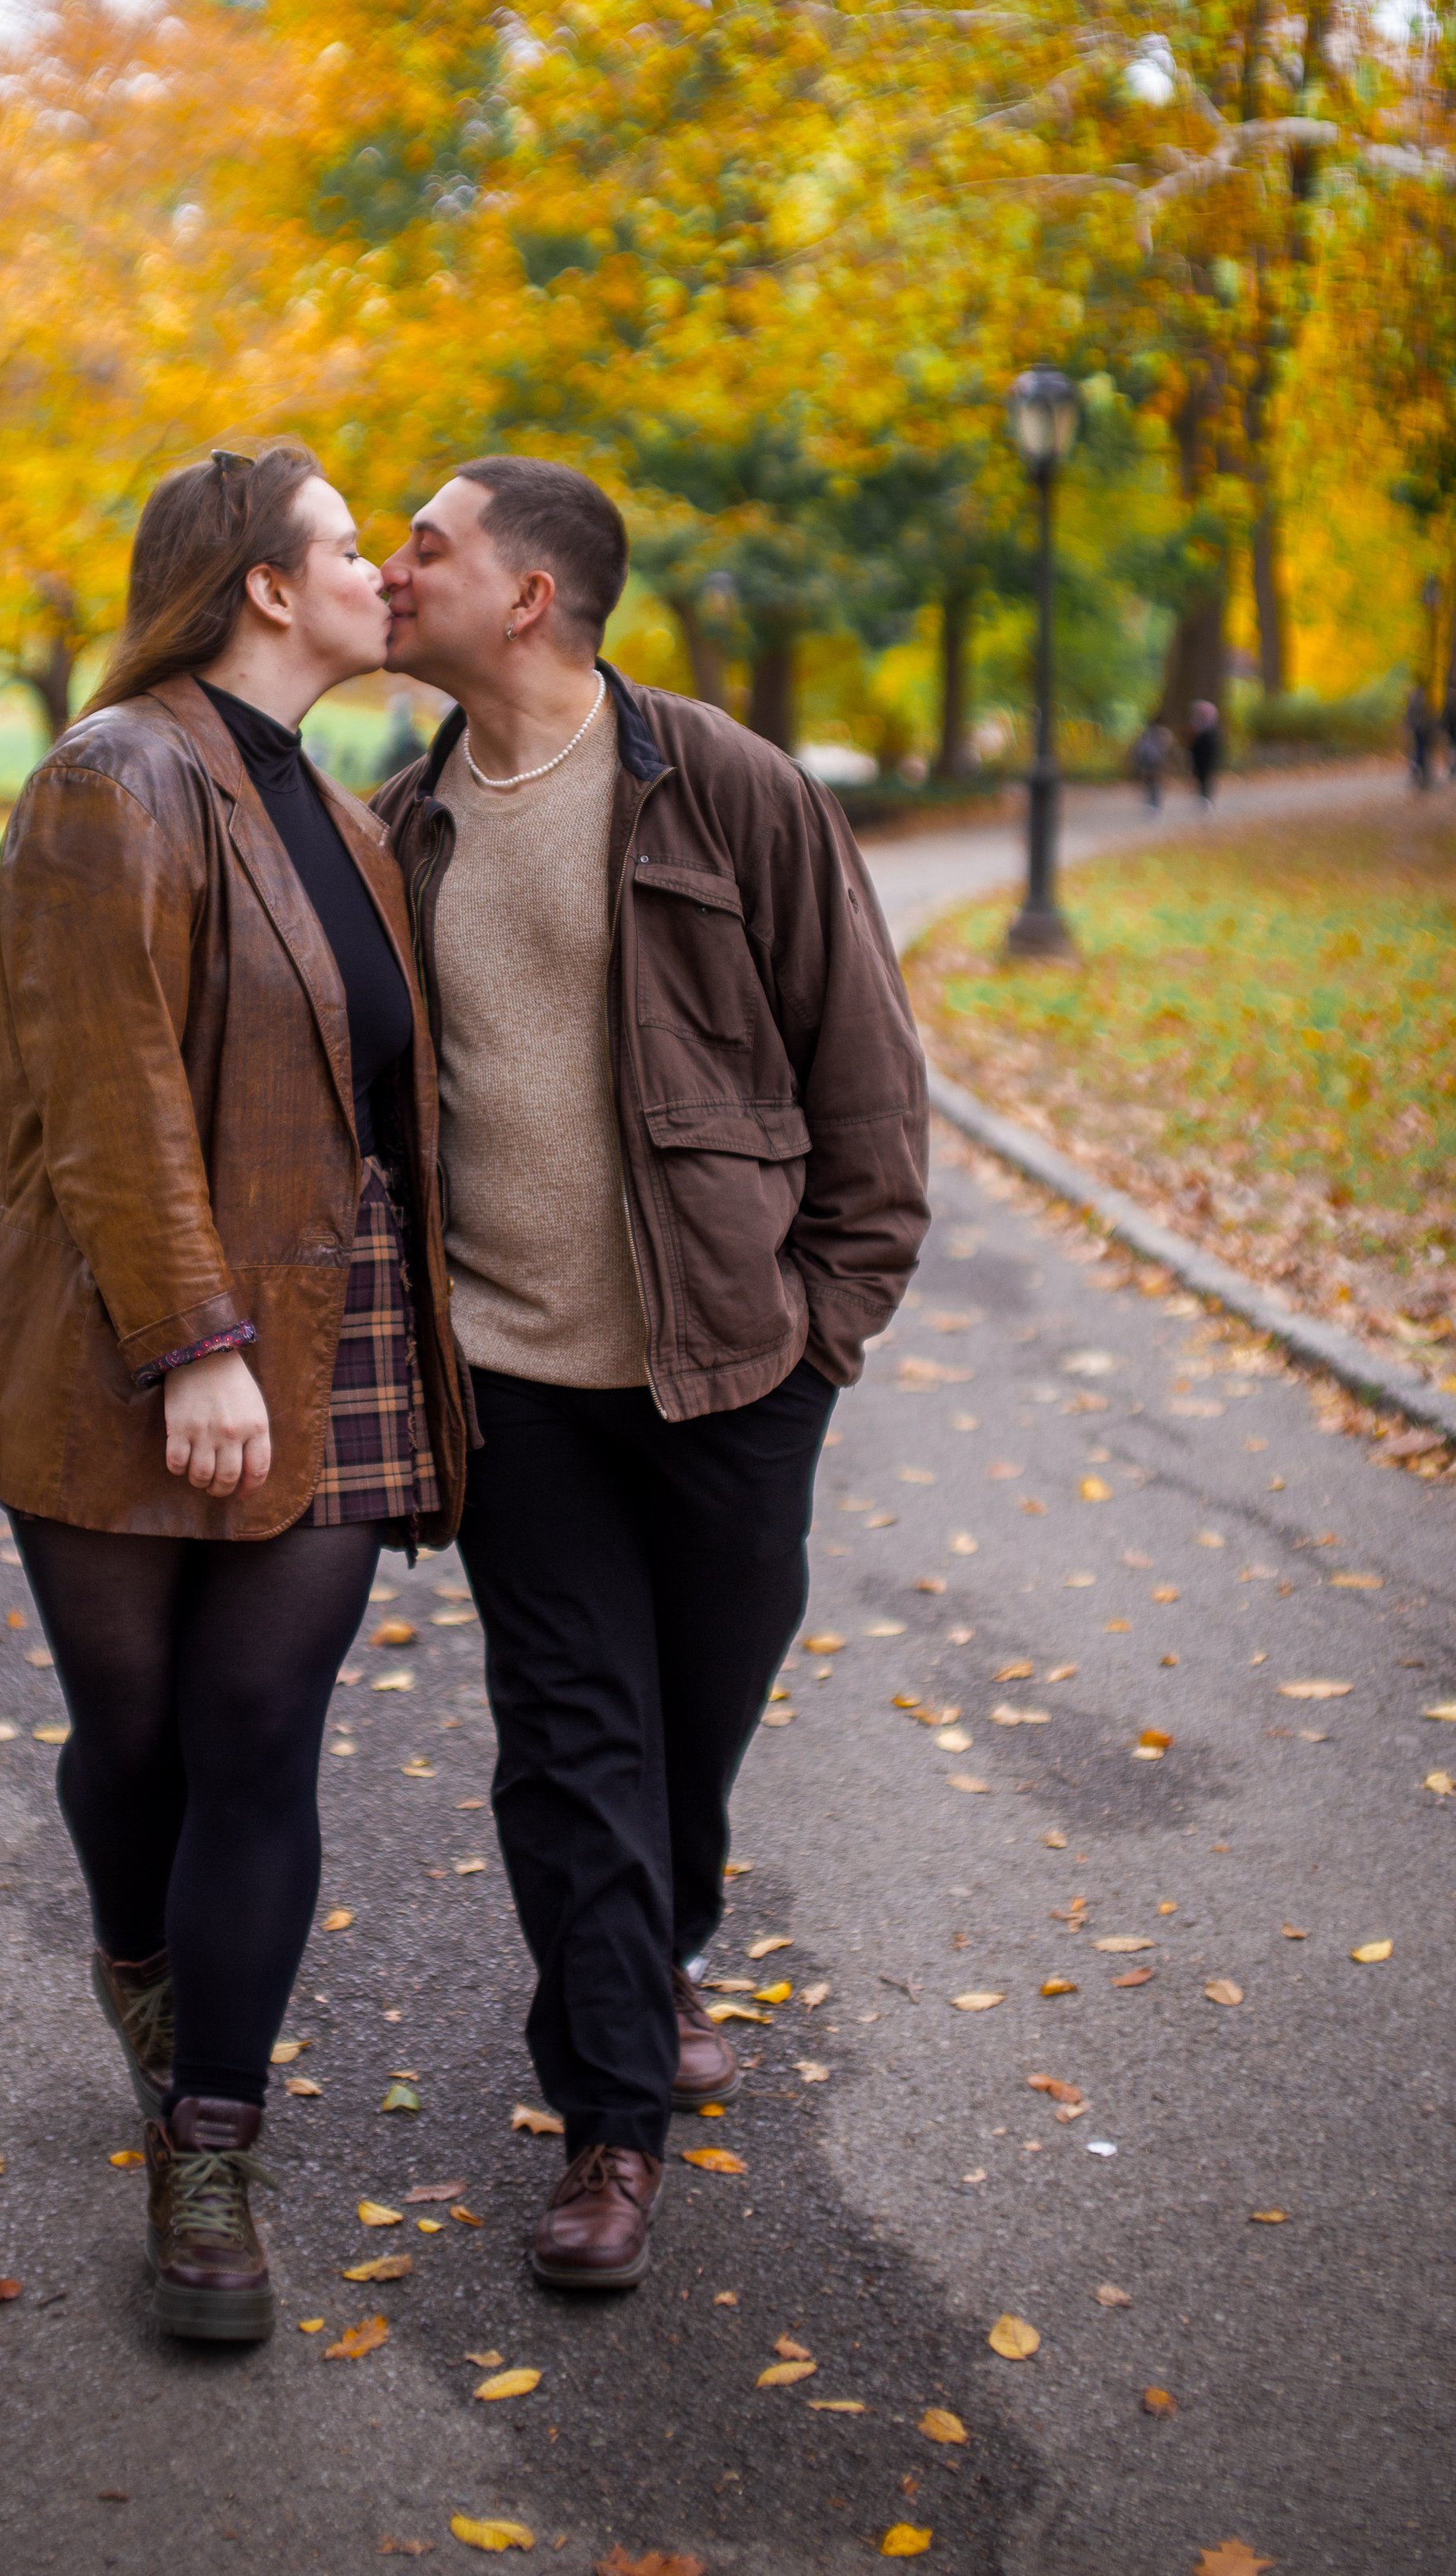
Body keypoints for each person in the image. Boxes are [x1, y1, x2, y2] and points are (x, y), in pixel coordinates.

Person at [0, 443, 464, 2344]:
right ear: (259, 582)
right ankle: (142, 1960)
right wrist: (197, 1339)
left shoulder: (343, 806)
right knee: (137, 1740)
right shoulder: (112, 776)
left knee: (258, 1734)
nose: (378, 575)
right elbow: (109, 1087)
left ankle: (211, 2148)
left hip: (339, 1339)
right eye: (347, 547)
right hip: (113, 1349)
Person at [375, 458, 928, 2291]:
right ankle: (612, 2117)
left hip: (727, 1372)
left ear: (528, 595)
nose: (393, 566)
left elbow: (864, 1070)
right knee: (573, 1741)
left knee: (690, 1726)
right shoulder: (407, 821)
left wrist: (821, 1333)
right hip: (511, 1378)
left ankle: (659, 1942)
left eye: (427, 545)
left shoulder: (729, 787)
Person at [1129, 719, 1173, 809]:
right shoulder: (1160, 734)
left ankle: (1153, 803)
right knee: (1153, 784)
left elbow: (1138, 751)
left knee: (1151, 784)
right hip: (1155, 764)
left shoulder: (1146, 736)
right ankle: (1153, 803)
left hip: (1150, 764)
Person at [1187, 695, 1221, 803]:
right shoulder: (1197, 729)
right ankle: (1202, 796)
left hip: (1207, 758)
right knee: (1200, 777)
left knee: (1207, 777)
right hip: (1199, 758)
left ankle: (1206, 797)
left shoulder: (1211, 732)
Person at [1405, 680, 1438, 790]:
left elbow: (1410, 716)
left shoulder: (1414, 701)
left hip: (1420, 730)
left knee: (1420, 750)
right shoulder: (1421, 701)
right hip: (1421, 730)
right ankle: (1417, 768)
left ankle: (1418, 769)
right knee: (1421, 750)